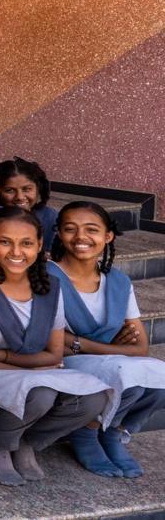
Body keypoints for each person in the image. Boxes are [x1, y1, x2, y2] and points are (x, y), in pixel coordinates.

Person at [0, 207, 111, 486]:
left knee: (95, 397)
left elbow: (55, 353)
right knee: (41, 393)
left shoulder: (50, 287)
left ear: (39, 245)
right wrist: (28, 363)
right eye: (5, 242)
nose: (16, 252)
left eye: (26, 243)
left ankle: (27, 441)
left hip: (15, 368)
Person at [50, 201, 165, 478]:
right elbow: (53, 340)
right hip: (64, 361)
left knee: (157, 381)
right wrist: (113, 348)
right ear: (58, 233)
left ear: (108, 236)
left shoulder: (118, 281)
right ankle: (86, 433)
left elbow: (139, 347)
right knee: (130, 380)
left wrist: (81, 341)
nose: (81, 237)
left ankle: (114, 431)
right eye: (70, 229)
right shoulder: (47, 276)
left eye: (92, 230)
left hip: (103, 358)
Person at [0, 157, 58, 244]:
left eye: (26, 189)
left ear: (38, 189)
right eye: (9, 190)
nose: (19, 197)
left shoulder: (50, 217)